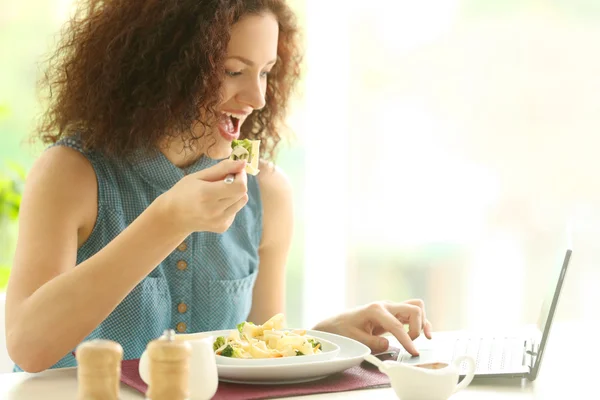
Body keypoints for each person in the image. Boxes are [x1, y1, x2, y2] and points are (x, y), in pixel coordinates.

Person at [5, 0, 432, 373]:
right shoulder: (72, 173)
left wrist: (329, 338)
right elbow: (28, 348)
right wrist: (167, 221)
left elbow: (259, 355)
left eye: (266, 73)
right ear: (165, 67)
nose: (258, 97)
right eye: (233, 71)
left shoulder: (266, 191)